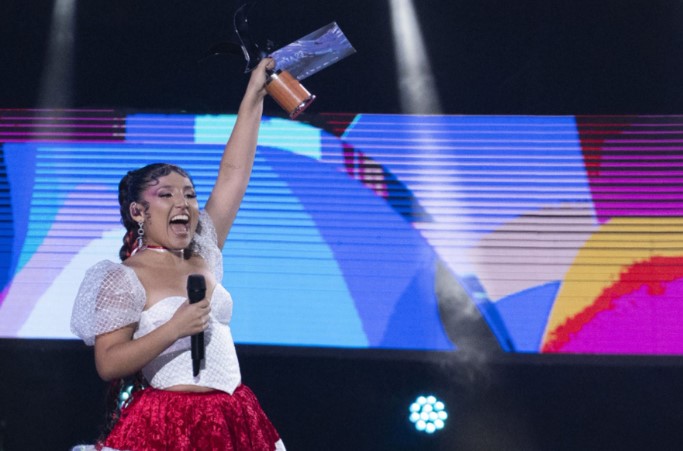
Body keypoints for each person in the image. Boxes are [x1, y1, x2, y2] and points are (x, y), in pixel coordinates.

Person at [70, 58, 285, 451]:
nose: (182, 203)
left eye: (189, 194)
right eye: (166, 195)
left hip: (233, 418)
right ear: (139, 212)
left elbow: (234, 173)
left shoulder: (204, 250)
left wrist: (255, 92)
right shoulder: (124, 277)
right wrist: (174, 327)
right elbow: (109, 363)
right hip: (167, 423)